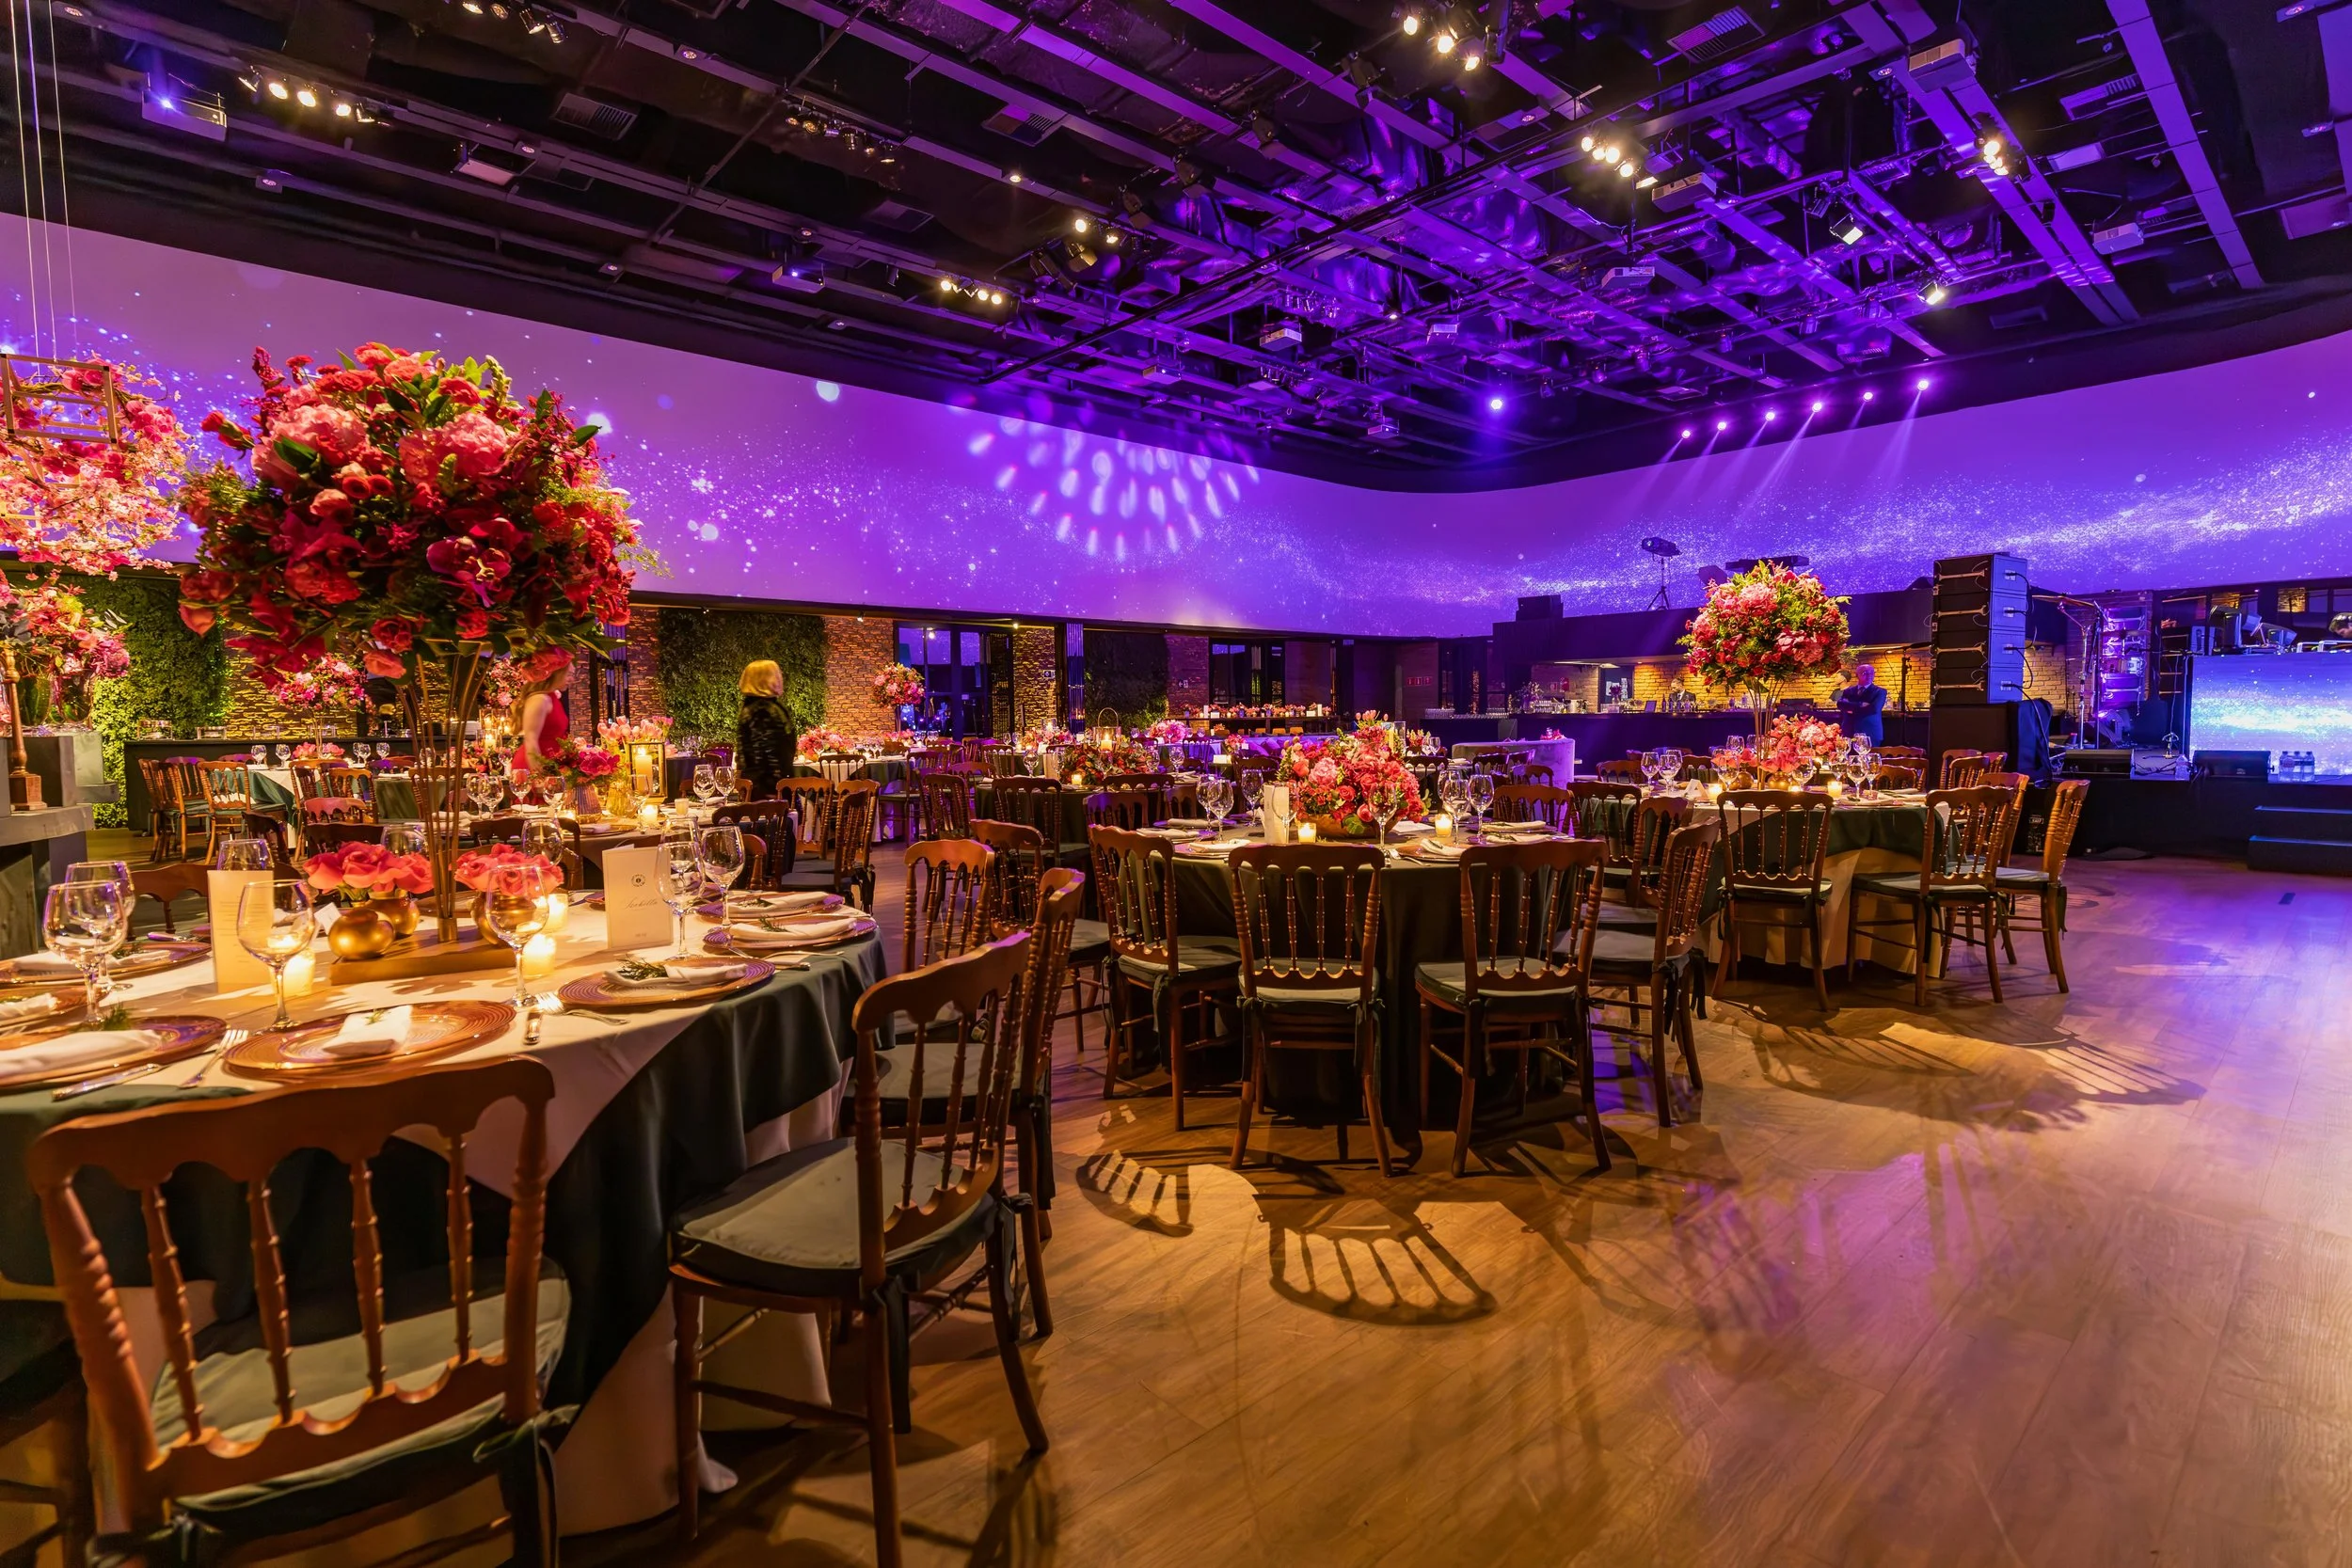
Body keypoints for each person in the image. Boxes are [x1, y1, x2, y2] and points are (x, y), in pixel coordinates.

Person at [737, 659, 797, 800]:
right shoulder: (764, 710)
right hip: (768, 789)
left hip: (765, 787)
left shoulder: (758, 708)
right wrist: (772, 788)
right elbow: (767, 754)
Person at [1834, 662, 1887, 747]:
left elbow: (1874, 709)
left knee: (1869, 758)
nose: (1869, 675)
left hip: (1870, 732)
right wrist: (1860, 704)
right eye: (1865, 673)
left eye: (1871, 673)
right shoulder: (1848, 691)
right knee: (1848, 758)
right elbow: (1840, 704)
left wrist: (1850, 707)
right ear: (1857, 675)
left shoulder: (1880, 691)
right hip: (1849, 731)